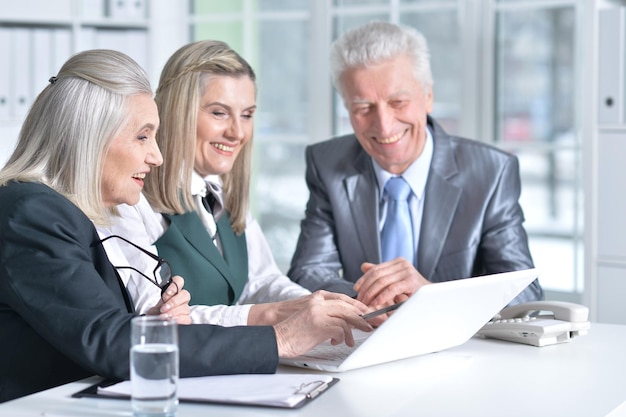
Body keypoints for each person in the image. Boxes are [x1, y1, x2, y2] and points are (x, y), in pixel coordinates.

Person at [0, 49, 371, 403]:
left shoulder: (65, 212)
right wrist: (279, 339)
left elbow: (100, 327)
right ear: (89, 136)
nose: (156, 155)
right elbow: (108, 341)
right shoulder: (32, 213)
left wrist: (154, 322)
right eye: (142, 136)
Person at [104, 40, 374, 327]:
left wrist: (313, 302)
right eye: (219, 113)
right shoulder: (132, 198)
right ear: (177, 112)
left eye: (247, 115)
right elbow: (155, 317)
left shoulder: (222, 194)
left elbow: (260, 281)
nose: (237, 132)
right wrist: (266, 314)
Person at [288, 21, 544, 310]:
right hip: (369, 341)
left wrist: (429, 295)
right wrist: (377, 299)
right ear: (348, 109)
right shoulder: (327, 164)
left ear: (428, 97)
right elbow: (306, 272)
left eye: (398, 102)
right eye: (363, 108)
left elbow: (524, 293)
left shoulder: (491, 172)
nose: (384, 126)